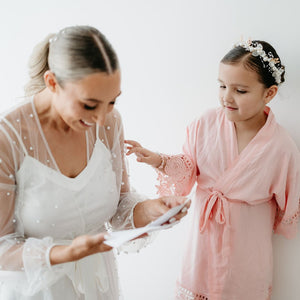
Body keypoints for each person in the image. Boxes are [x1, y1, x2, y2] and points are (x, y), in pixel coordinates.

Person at [0, 25, 189, 299]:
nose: (101, 119)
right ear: (52, 82)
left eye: (111, 102)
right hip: (38, 290)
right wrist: (67, 252)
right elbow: (2, 246)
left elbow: (120, 204)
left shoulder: (110, 122)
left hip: (99, 286)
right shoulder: (8, 138)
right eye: (89, 105)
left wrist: (152, 211)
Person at [125, 40, 300, 300]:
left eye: (240, 90)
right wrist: (159, 160)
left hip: (248, 248)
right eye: (222, 86)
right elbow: (189, 169)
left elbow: (289, 203)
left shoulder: (281, 146)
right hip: (203, 244)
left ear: (269, 93)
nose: (226, 97)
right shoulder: (204, 123)